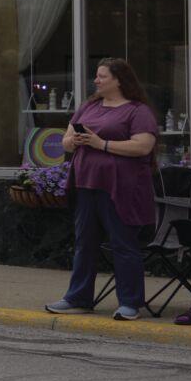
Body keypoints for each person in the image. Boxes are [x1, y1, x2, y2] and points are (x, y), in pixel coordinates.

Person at [46, 57, 159, 321]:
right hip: (86, 184)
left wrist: (102, 144)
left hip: (121, 188)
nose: (96, 81)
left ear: (119, 80)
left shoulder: (137, 111)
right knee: (84, 243)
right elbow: (65, 141)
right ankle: (78, 298)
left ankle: (130, 303)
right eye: (96, 76)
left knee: (123, 243)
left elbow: (143, 146)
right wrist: (74, 141)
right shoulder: (89, 106)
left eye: (102, 76)